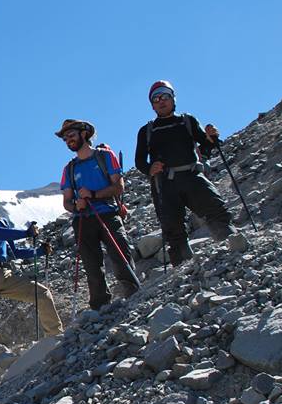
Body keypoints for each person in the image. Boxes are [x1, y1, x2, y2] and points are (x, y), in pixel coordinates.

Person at [0, 184, 62, 381]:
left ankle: (56, 338)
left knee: (41, 294)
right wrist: (25, 233)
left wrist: (39, 252)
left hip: (4, 272)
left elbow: (14, 253)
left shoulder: (1, 222)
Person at [135, 80, 237, 265]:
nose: (161, 101)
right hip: (164, 183)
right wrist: (149, 169)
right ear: (152, 105)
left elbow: (206, 145)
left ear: (173, 98)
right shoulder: (146, 131)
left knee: (216, 209)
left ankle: (233, 249)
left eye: (165, 96)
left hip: (192, 176)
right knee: (173, 229)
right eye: (156, 98)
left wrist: (212, 137)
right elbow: (140, 160)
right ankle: (184, 269)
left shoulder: (187, 121)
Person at [58, 119, 140, 310]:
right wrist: (76, 205)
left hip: (108, 213)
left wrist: (93, 195)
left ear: (84, 134)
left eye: (71, 135)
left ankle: (134, 296)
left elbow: (119, 187)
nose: (68, 140)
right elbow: (66, 202)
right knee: (92, 266)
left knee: (121, 258)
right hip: (83, 220)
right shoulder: (69, 169)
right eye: (65, 138)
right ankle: (99, 307)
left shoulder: (104, 156)